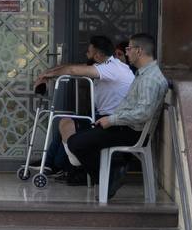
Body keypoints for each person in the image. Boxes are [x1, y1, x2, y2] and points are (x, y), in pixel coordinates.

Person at [65, 32, 167, 199]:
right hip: (124, 125)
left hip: (132, 131)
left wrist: (111, 120)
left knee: (76, 143)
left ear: (139, 51)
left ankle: (111, 175)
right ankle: (113, 170)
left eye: (129, 49)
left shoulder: (150, 79)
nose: (126, 52)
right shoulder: (144, 74)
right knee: (79, 138)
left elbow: (143, 113)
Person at [34, 35, 136, 173]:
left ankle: (73, 166)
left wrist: (48, 76)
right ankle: (55, 163)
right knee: (65, 123)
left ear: (98, 55)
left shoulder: (112, 68)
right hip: (105, 116)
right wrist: (48, 72)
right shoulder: (107, 65)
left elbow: (73, 71)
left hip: (113, 122)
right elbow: (74, 67)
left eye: (89, 52)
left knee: (67, 124)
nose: (86, 54)